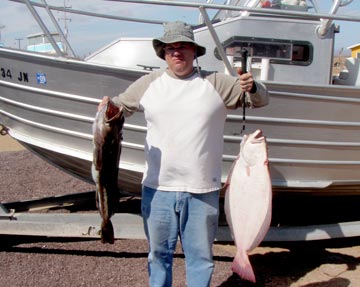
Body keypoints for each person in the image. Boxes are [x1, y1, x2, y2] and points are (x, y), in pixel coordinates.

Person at [100, 21, 268, 287]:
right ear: (163, 53)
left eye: (183, 47)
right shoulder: (148, 84)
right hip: (157, 190)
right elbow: (119, 107)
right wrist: (106, 108)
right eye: (170, 48)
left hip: (202, 191)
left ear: (194, 51)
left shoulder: (216, 83)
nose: (177, 52)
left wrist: (254, 86)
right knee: (158, 257)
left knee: (200, 259)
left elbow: (259, 101)